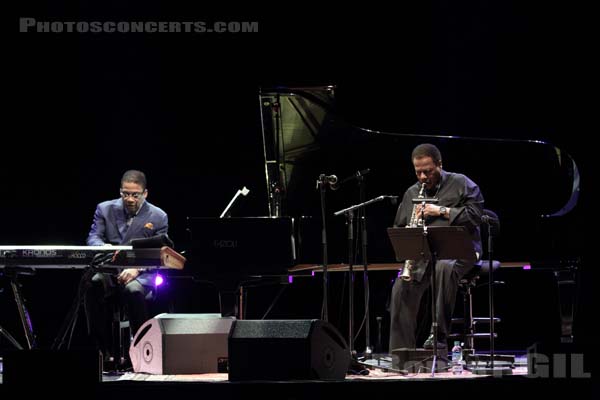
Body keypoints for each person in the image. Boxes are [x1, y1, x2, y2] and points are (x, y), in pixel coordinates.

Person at [389, 143, 484, 351]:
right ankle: (401, 351)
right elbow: (399, 226)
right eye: (418, 172)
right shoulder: (412, 192)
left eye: (428, 171)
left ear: (440, 165)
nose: (423, 177)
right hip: (424, 255)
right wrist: (409, 230)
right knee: (401, 288)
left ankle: (437, 338)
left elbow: (476, 216)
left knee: (444, 267)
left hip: (462, 251)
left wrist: (441, 211)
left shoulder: (461, 183)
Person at [84, 169, 169, 365]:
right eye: (125, 193)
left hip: (140, 272)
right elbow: (93, 236)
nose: (129, 199)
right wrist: (101, 246)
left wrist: (137, 268)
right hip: (111, 270)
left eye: (135, 195)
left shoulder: (158, 216)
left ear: (145, 193)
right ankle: (101, 350)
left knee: (133, 290)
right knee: (92, 284)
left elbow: (160, 251)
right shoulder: (104, 209)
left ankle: (140, 349)